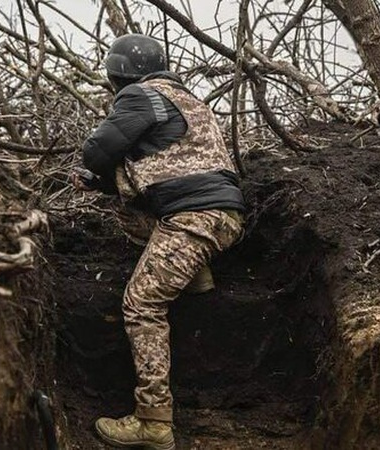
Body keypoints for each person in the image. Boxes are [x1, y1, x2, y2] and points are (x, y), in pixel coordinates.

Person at [72, 33, 246, 450]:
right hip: (223, 214)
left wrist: (97, 167)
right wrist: (106, 185)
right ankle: (196, 273)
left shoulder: (140, 95)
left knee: (142, 304)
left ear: (117, 74)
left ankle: (153, 421)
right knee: (132, 208)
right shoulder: (188, 100)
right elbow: (168, 170)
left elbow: (96, 150)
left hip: (193, 219)